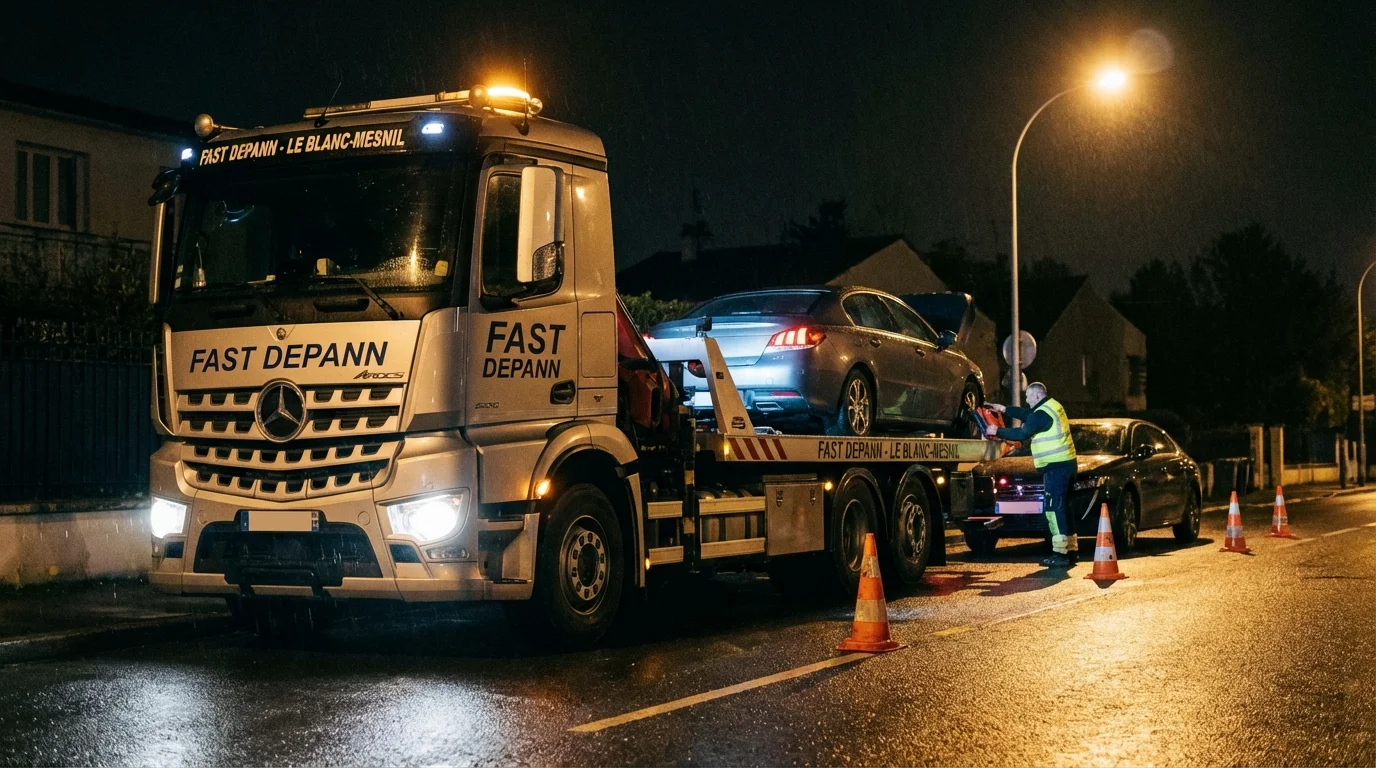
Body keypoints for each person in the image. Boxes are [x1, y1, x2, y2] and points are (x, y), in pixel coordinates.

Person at [984, 382, 1079, 568]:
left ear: (1037, 396)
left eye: (1028, 396)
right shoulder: (1052, 407)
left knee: (1053, 509)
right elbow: (1027, 415)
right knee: (1064, 508)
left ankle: (1060, 554)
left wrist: (997, 431)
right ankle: (1071, 550)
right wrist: (1005, 409)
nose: (1026, 399)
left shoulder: (1042, 413)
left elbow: (1022, 433)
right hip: (1066, 464)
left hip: (1055, 467)